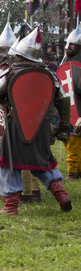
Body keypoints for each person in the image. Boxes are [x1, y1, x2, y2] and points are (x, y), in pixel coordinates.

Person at [0, 28, 72, 215]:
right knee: (43, 163)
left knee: (7, 164)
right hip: (41, 127)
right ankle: (61, 195)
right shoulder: (50, 75)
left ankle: (10, 208)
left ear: (18, 55)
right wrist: (64, 125)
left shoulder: (10, 73)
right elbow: (64, 99)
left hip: (15, 127)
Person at [62, 23, 81, 180]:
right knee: (66, 140)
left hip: (78, 109)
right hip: (65, 107)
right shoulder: (65, 62)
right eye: (69, 44)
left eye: (72, 44)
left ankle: (72, 172)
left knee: (75, 141)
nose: (69, 47)